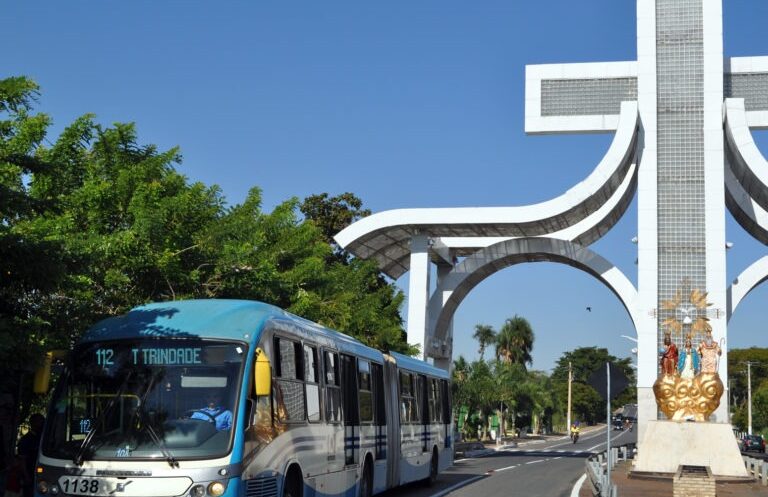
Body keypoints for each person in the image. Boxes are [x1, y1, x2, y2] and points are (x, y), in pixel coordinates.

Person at [16, 414, 44, 497]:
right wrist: (26, 476)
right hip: (30, 475)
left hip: (41, 475)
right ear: (33, 423)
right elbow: (22, 460)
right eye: (40, 422)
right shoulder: (26, 440)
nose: (42, 424)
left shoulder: (43, 438)